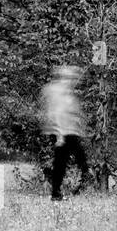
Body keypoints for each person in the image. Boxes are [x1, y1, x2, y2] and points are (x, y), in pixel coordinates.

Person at [39, 65, 89, 201]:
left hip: (70, 130)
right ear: (65, 77)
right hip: (62, 131)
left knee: (66, 161)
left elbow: (73, 112)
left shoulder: (67, 91)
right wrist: (59, 134)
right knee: (65, 162)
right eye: (71, 77)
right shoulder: (58, 91)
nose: (73, 80)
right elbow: (56, 113)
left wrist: (79, 127)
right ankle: (57, 192)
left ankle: (57, 192)